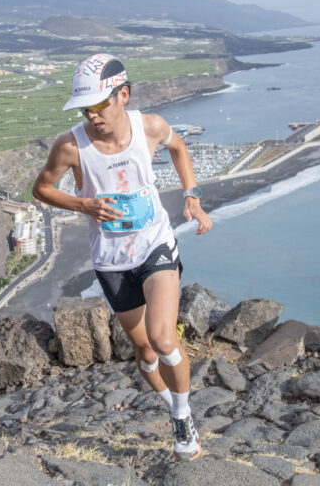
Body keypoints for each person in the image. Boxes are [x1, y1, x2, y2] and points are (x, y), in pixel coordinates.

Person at [32, 53, 212, 461]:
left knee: (165, 337)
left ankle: (182, 419)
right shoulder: (70, 146)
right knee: (145, 351)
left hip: (155, 246)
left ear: (123, 95)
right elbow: (41, 189)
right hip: (111, 262)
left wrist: (193, 198)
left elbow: (179, 148)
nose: (92, 115)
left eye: (99, 105)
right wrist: (85, 206)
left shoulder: (149, 127)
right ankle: (172, 404)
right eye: (85, 108)